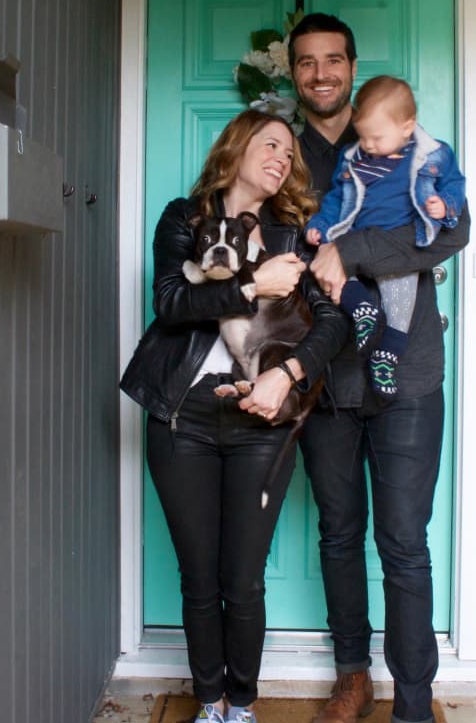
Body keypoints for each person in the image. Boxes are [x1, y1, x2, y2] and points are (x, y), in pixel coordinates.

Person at [120, 109, 350, 723]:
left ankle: (242, 705)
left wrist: (286, 374)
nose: (282, 157)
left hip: (261, 421)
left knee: (243, 580)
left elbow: (332, 322)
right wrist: (251, 286)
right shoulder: (183, 217)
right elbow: (170, 303)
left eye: (289, 154)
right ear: (237, 147)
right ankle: (208, 702)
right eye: (270, 145)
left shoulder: (290, 231)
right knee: (198, 577)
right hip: (184, 417)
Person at [288, 13, 471, 723]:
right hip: (326, 376)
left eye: (333, 59)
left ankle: (416, 702)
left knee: (403, 539)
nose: (321, 73)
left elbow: (450, 230)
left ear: (353, 67)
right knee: (338, 530)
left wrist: (355, 249)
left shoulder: (408, 142)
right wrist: (326, 254)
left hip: (409, 375)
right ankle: (351, 674)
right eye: (307, 62)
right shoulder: (283, 153)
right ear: (295, 73)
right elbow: (286, 253)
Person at [305, 75, 466, 400]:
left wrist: (444, 204)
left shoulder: (430, 156)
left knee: (399, 306)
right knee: (337, 276)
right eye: (363, 137)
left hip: (399, 254)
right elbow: (337, 198)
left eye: (376, 138)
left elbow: (455, 187)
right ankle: (363, 310)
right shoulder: (355, 159)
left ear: (407, 127)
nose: (368, 145)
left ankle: (386, 356)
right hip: (352, 234)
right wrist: (322, 224)